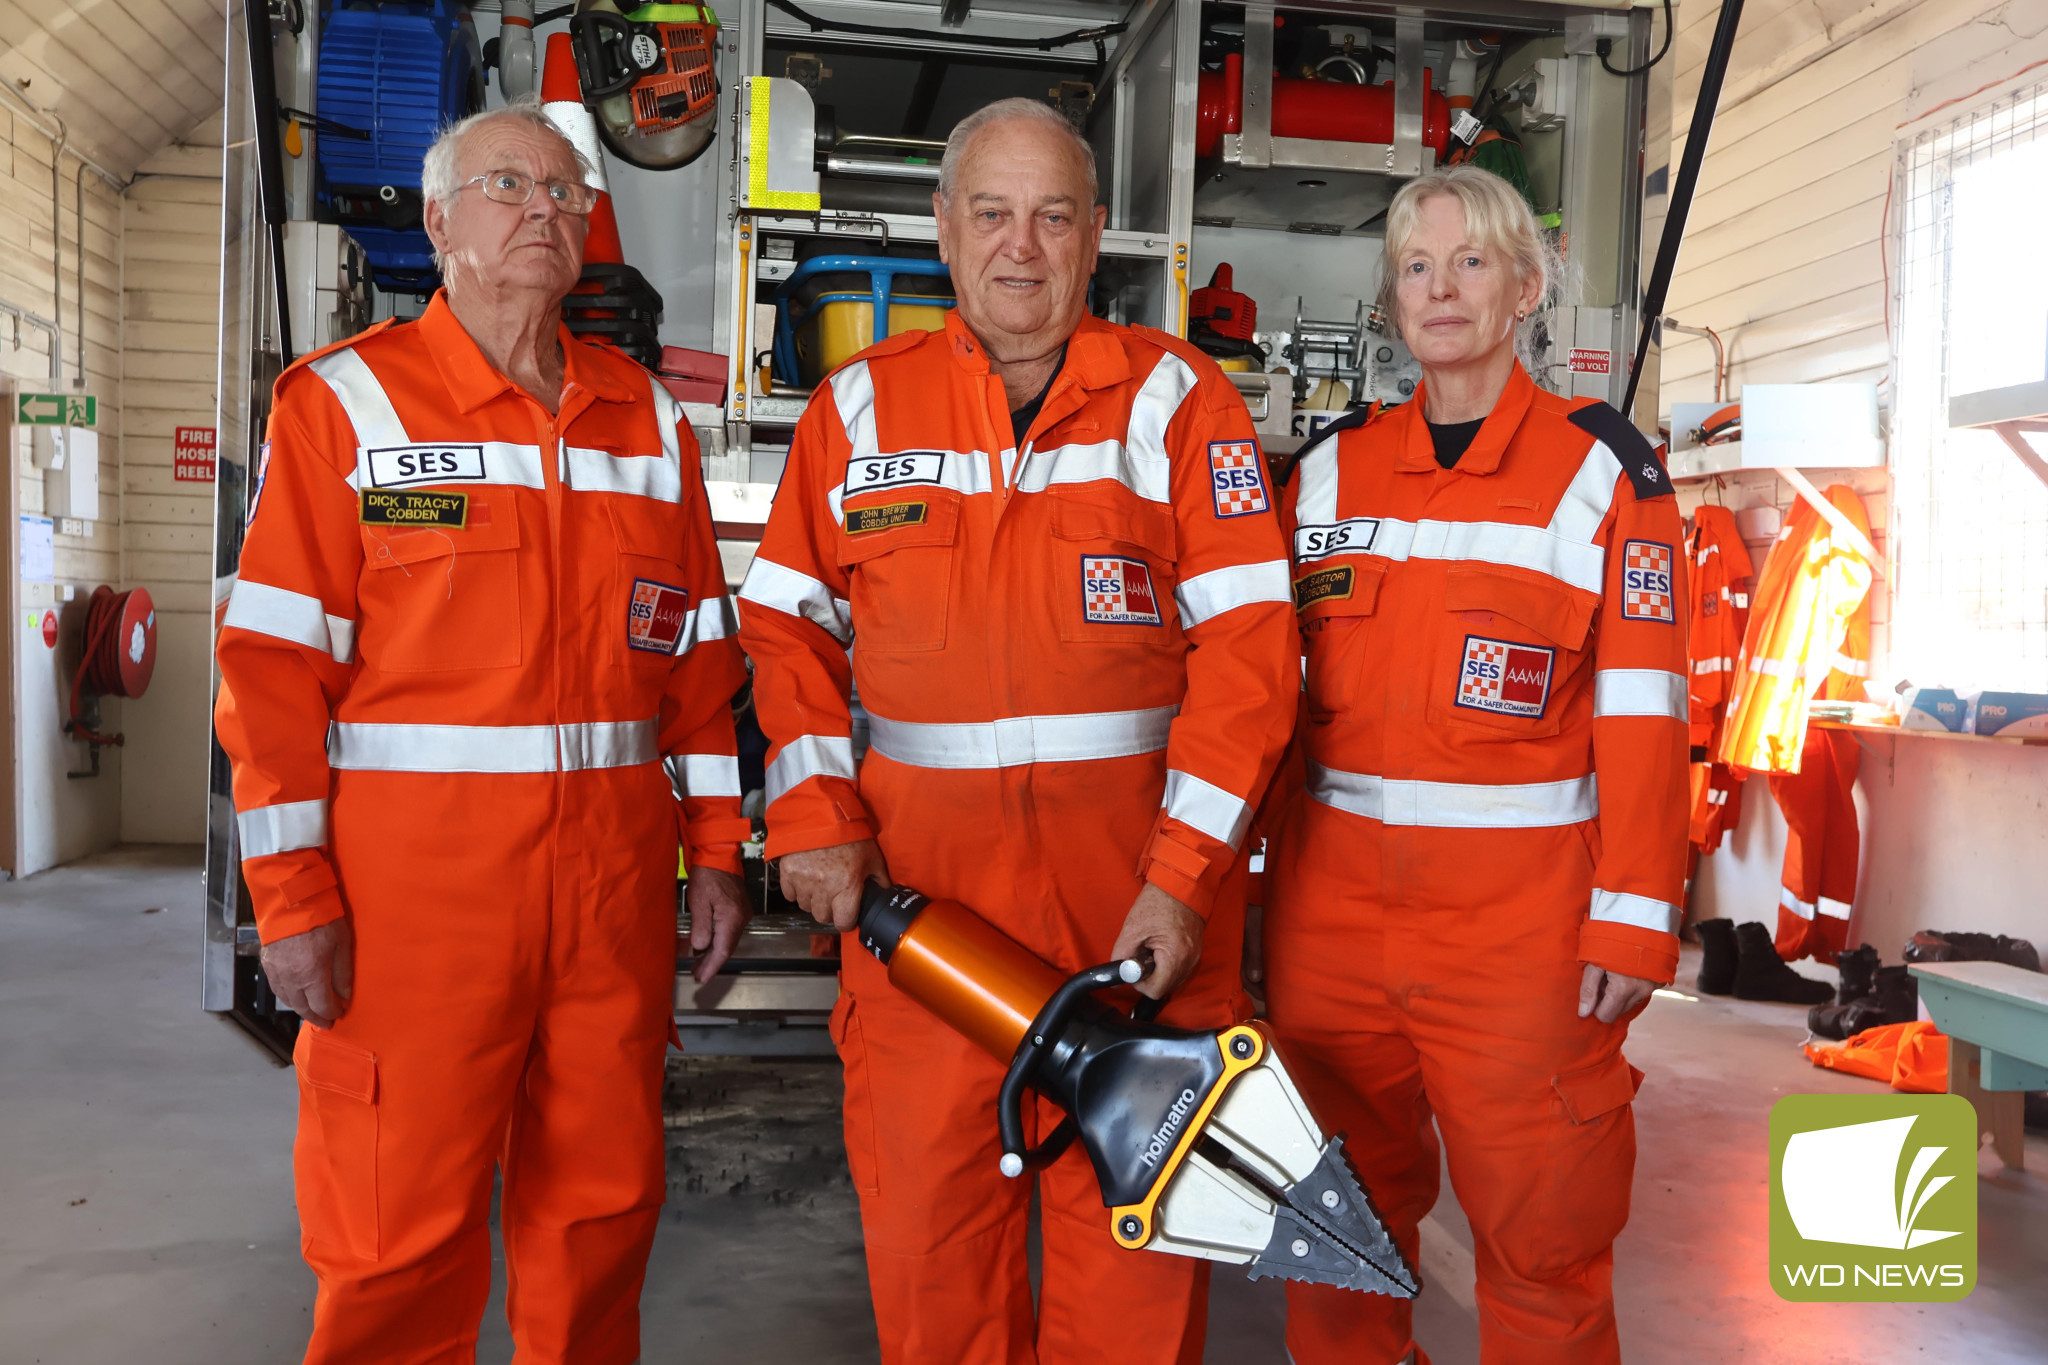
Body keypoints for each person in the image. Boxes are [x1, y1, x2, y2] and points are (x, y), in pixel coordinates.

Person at [737, 98, 1298, 1364]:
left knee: (1133, 1279)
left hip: (1137, 924)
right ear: (942, 230)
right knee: (935, 1270)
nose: (1020, 247)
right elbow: (783, 632)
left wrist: (1181, 883)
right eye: (990, 213)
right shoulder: (857, 412)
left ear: (1095, 234)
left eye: (1052, 215)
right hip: (926, 921)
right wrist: (817, 814)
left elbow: (1253, 657)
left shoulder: (1177, 403)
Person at [213, 101, 752, 1364]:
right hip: (414, 910)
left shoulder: (646, 426)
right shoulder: (344, 407)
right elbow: (272, 674)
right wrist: (290, 901)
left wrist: (718, 848)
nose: (544, 212)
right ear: (440, 222)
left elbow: (697, 666)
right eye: (509, 185)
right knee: (399, 1230)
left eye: (565, 194)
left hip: (610, 904)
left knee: (602, 1215)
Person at [1265, 164, 1690, 1365]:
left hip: (1521, 935)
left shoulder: (1604, 472)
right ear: (1391, 299)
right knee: (1330, 1226)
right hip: (1329, 921)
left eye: (1468, 263)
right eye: (1415, 265)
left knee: (1542, 1240)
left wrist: (1633, 917)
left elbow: (1648, 710)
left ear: (1524, 288)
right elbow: (1259, 697)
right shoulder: (1327, 473)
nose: (1439, 288)